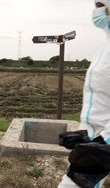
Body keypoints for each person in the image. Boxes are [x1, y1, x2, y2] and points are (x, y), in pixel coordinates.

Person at [58, 0, 110, 187]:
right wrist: (84, 134)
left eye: (100, 5)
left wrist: (104, 143)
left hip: (103, 141)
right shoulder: (104, 48)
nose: (96, 11)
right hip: (95, 137)